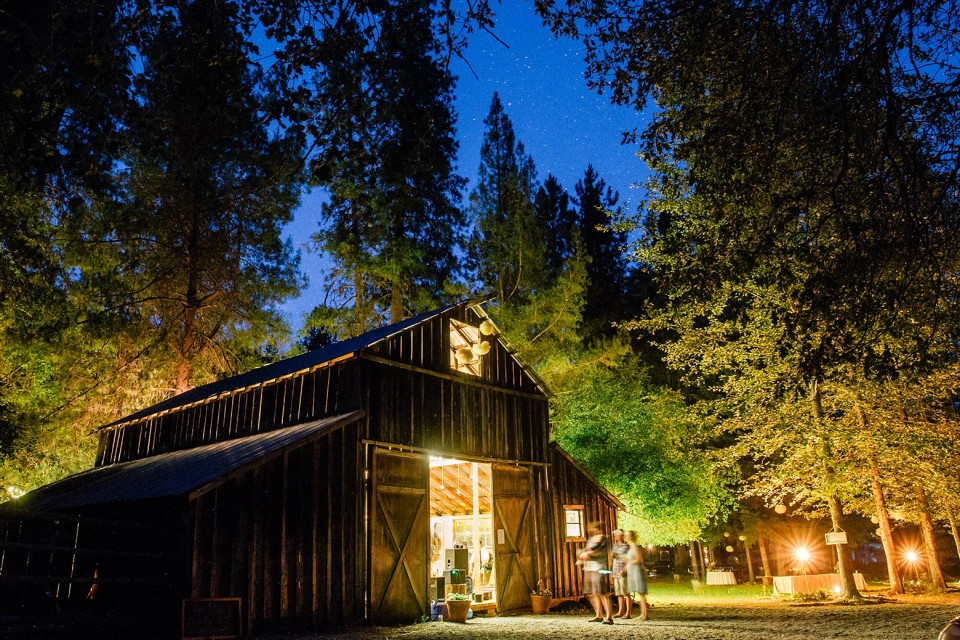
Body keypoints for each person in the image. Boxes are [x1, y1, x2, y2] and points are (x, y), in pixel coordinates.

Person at [579, 522, 614, 624]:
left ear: (598, 529)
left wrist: (588, 554)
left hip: (598, 568)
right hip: (588, 568)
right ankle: (598, 615)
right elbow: (585, 552)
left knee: (602, 592)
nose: (590, 530)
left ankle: (609, 617)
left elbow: (599, 552)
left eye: (593, 528)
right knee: (592, 593)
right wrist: (583, 555)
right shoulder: (591, 540)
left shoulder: (603, 539)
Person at [625, 530, 650, 620]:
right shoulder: (631, 546)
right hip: (632, 571)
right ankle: (642, 613)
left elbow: (639, 559)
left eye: (627, 535)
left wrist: (629, 561)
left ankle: (645, 614)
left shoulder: (635, 546)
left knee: (641, 592)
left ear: (632, 536)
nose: (626, 537)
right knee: (639, 592)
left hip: (637, 571)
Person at [611, 529, 630, 618]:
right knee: (619, 593)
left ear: (621, 536)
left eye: (616, 535)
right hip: (616, 571)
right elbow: (614, 557)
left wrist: (624, 570)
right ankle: (620, 611)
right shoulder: (615, 546)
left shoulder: (626, 546)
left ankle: (628, 613)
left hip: (623, 572)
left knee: (626, 593)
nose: (614, 537)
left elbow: (629, 560)